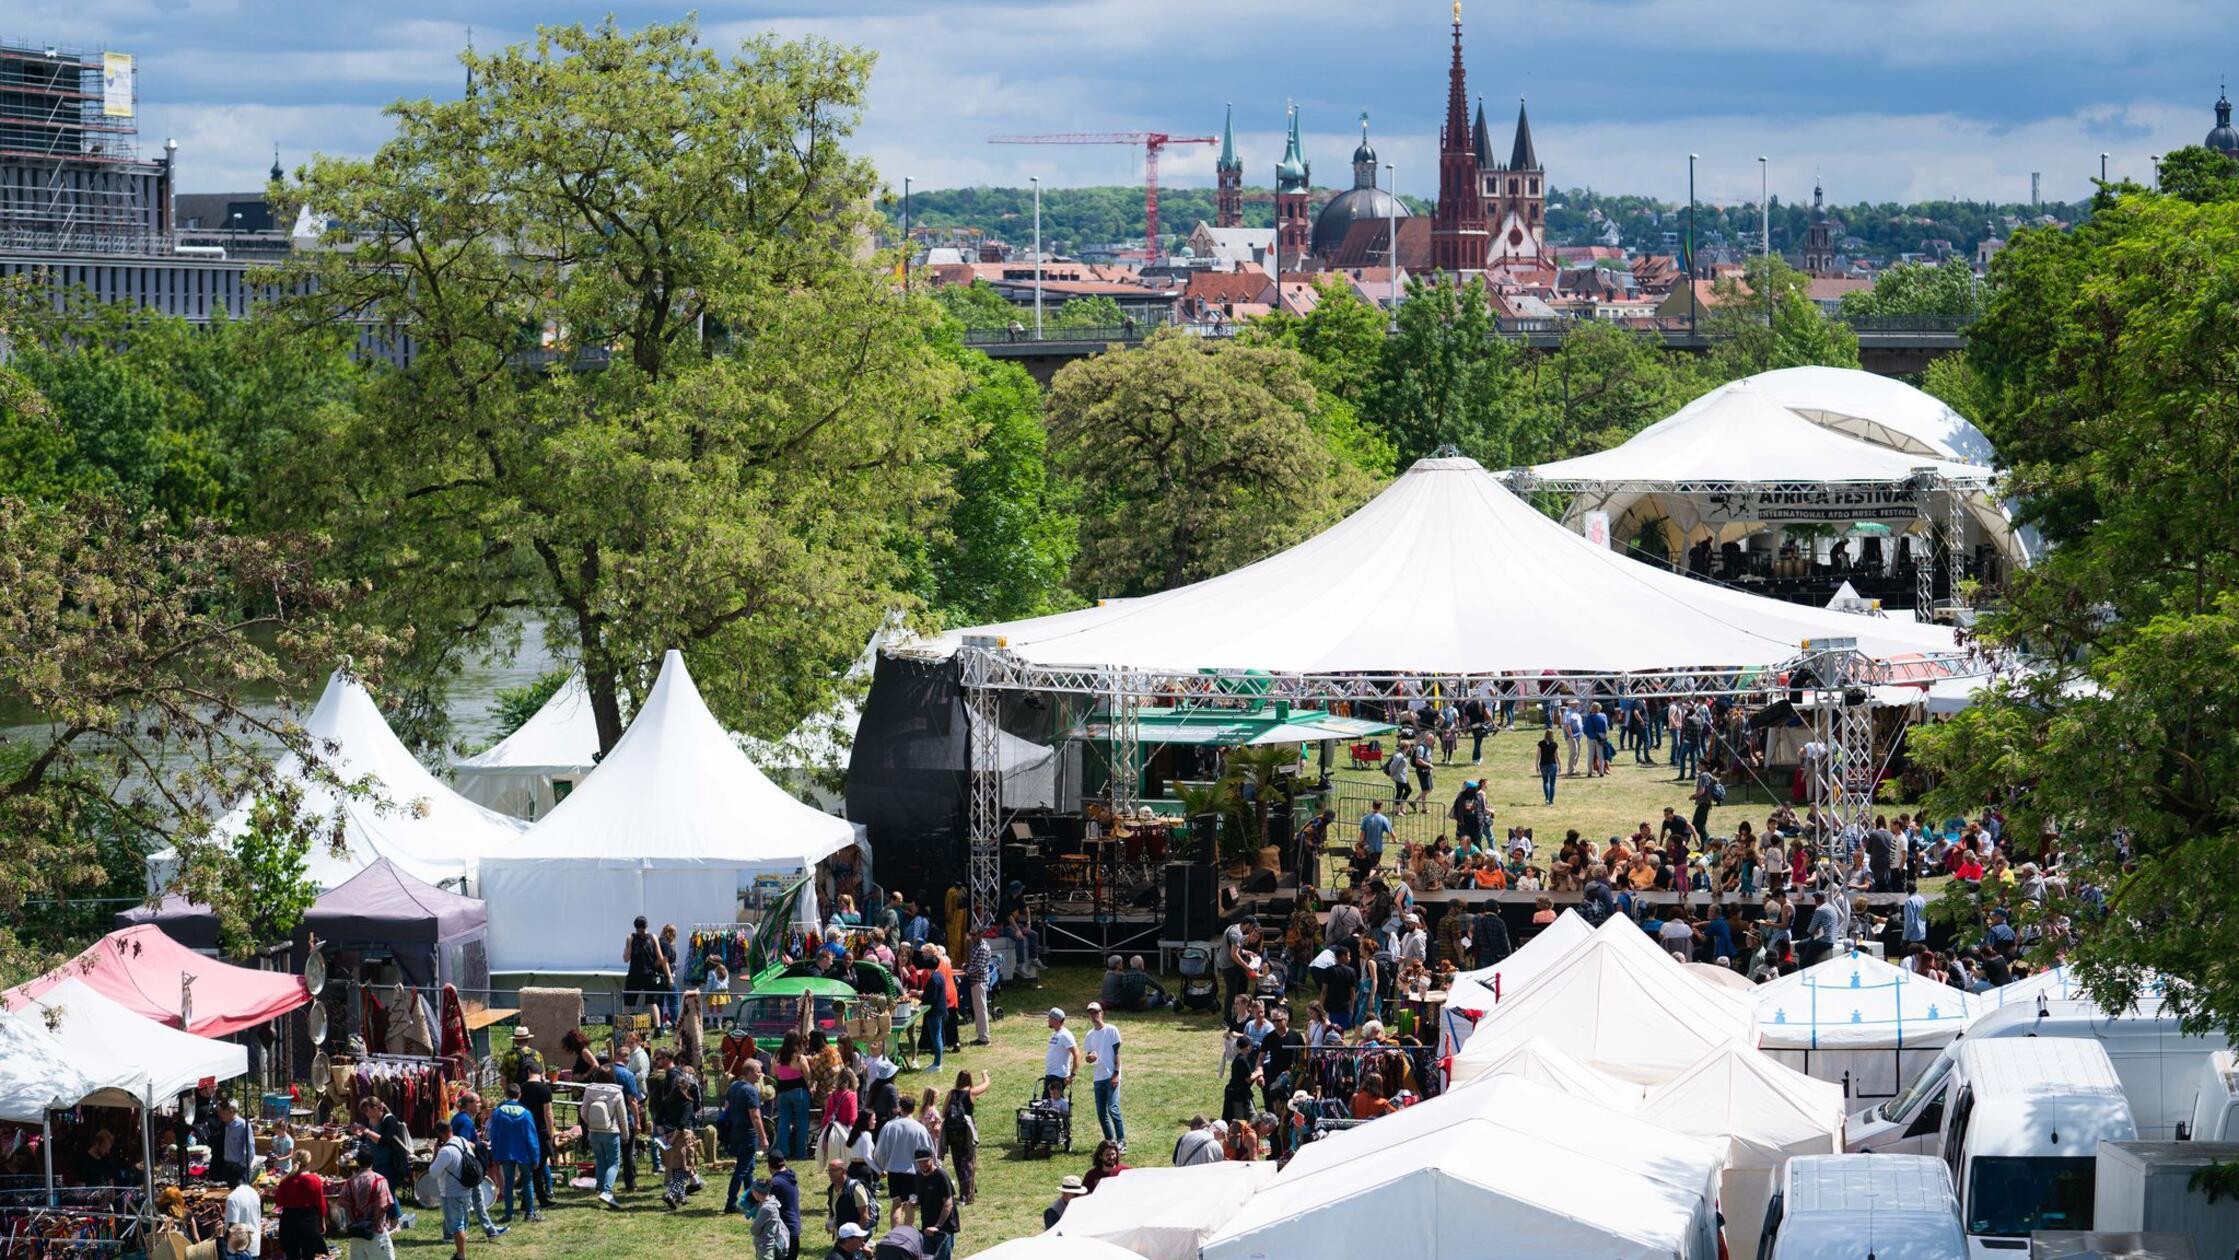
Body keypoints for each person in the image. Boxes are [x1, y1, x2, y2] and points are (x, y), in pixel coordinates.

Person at [486, 1081, 542, 1224]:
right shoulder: (526, 1114)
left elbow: (495, 1136)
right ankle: (530, 1213)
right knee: (527, 1182)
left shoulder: (498, 1113)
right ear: (520, 1095)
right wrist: (535, 1157)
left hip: (505, 1152)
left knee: (508, 1183)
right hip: (524, 1153)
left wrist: (495, 1155)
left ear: (505, 1094)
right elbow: (531, 1137)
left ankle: (508, 1213)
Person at [722, 1058, 770, 1215]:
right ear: (748, 1072)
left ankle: (752, 1201)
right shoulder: (750, 1090)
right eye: (758, 1071)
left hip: (735, 1132)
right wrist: (763, 1138)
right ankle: (730, 1203)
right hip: (748, 1134)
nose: (760, 1074)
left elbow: (726, 1108)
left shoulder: (734, 1086)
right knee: (742, 1170)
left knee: (748, 1168)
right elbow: (755, 1116)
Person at [873, 1097, 933, 1220]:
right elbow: (929, 1149)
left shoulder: (890, 1126)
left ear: (900, 1108)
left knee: (896, 1204)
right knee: (910, 1205)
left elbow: (880, 1151)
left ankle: (895, 1232)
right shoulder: (919, 1128)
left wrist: (881, 1166)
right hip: (912, 1172)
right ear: (913, 1108)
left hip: (894, 1171)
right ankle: (907, 1232)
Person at [428, 1121, 480, 1260]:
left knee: (457, 1226)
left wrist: (435, 1155)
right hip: (466, 1189)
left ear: (439, 1134)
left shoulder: (445, 1151)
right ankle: (460, 1252)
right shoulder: (463, 1141)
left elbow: (433, 1172)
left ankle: (461, 1255)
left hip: (451, 1193)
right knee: (463, 1223)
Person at [1079, 1001, 1126, 1152]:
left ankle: (1122, 1142)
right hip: (1098, 1077)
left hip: (1111, 1075)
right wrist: (1089, 1058)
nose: (1093, 1016)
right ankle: (1110, 1142)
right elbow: (1089, 1055)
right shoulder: (1090, 1035)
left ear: (1102, 1013)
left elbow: (1117, 1053)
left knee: (1113, 1108)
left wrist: (1116, 1074)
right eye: (1091, 1013)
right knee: (1101, 1113)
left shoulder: (1112, 1030)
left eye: (1096, 1012)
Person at [340, 1146, 396, 1260]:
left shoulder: (350, 1182)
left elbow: (345, 1205)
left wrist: (356, 1224)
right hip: (376, 1232)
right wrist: (373, 1225)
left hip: (357, 1233)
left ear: (357, 1162)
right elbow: (382, 1205)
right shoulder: (379, 1180)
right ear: (372, 1160)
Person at [941, 1070, 989, 1205]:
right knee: (968, 1162)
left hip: (952, 1133)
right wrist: (984, 1073)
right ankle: (967, 1195)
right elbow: (986, 1085)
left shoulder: (951, 1093)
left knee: (958, 1162)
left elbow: (944, 1112)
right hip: (967, 1132)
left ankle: (968, 1189)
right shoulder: (971, 1093)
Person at [911, 1148, 958, 1260]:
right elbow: (922, 1197)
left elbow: (948, 1203)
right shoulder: (918, 1176)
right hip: (926, 1226)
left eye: (925, 1161)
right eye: (920, 1161)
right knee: (927, 1257)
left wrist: (937, 1226)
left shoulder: (940, 1175)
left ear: (932, 1158)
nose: (923, 1164)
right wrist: (914, 1203)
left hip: (943, 1228)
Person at [623, 915, 668, 1016]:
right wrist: (654, 967)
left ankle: (625, 1028)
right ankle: (657, 1028)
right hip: (649, 975)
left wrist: (627, 950)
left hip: (634, 974)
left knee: (628, 1003)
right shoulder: (653, 937)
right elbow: (660, 958)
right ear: (646, 926)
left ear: (635, 926)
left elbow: (626, 959)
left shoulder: (631, 937)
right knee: (652, 1003)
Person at [826, 1157, 878, 1238]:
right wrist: (830, 1222)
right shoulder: (831, 1189)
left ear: (843, 1171)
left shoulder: (856, 1188)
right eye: (828, 1170)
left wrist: (854, 1239)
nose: (830, 1173)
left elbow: (864, 1217)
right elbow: (832, 1209)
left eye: (833, 1170)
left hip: (856, 1237)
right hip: (843, 1236)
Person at [764, 1152, 803, 1260]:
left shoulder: (775, 1184)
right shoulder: (790, 1175)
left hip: (784, 1234)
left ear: (769, 1166)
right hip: (794, 1230)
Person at [210, 1097, 254, 1187]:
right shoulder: (226, 1125)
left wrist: (242, 1165)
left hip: (238, 1168)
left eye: (222, 1111)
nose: (219, 1114)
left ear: (231, 1111)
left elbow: (250, 1149)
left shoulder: (243, 1126)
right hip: (227, 1166)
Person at [1041, 1008, 1080, 1099]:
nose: (1048, 1020)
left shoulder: (1065, 1035)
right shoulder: (1055, 1034)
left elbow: (1077, 1054)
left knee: (1052, 1104)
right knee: (1048, 1104)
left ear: (1056, 1020)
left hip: (1059, 1075)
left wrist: (1072, 1075)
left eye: (1049, 1017)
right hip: (1051, 1074)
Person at [223, 1171, 262, 1259]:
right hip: (254, 1244)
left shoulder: (233, 1197)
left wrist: (222, 1242)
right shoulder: (253, 1192)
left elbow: (232, 1226)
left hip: (237, 1249)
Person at [749, 1180, 792, 1260]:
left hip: (766, 1247)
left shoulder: (766, 1208)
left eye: (753, 1191)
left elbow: (754, 1230)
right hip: (767, 1245)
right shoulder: (771, 1200)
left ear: (757, 1193)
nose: (752, 1193)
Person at [964, 935, 994, 1045]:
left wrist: (967, 970)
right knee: (978, 1009)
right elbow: (974, 963)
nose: (971, 937)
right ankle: (981, 1035)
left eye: (973, 935)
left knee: (981, 1009)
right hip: (975, 981)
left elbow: (979, 967)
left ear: (980, 935)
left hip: (979, 981)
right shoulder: (976, 946)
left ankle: (984, 1038)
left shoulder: (983, 948)